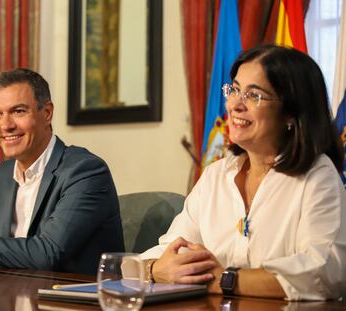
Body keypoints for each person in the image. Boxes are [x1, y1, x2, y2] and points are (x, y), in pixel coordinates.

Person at [140, 45, 346, 300]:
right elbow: (170, 251)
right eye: (235, 90)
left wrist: (225, 279)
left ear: (291, 114)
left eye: (254, 95)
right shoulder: (216, 176)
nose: (235, 104)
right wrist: (155, 269)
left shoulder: (317, 177)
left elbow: (325, 272)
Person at [0, 68, 124, 275]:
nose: (5, 125)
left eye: (18, 111)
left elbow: (48, 253)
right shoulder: (3, 176)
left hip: (75, 302)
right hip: (11, 297)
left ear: (47, 113)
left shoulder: (85, 171)